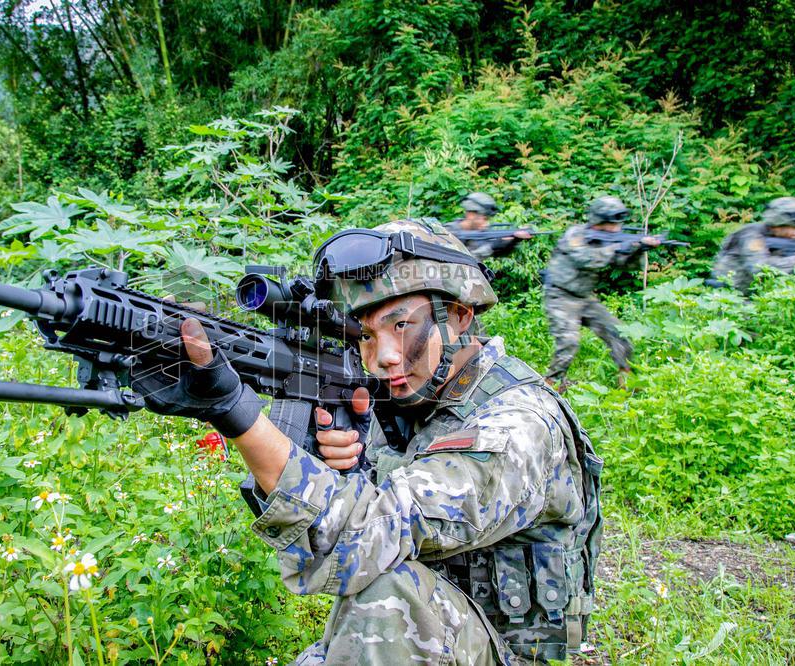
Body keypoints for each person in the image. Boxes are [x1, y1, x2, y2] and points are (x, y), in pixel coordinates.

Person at [137, 219, 603, 664]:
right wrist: (344, 467)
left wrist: (234, 412)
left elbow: (367, 536)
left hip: (506, 651)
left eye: (402, 326)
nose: (383, 357)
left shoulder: (517, 425)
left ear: (459, 316)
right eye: (365, 335)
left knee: (386, 592)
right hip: (433, 631)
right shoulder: (409, 401)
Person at [543, 196, 661, 392]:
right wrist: (619, 247)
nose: (616, 228)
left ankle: (627, 383)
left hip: (584, 297)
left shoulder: (609, 240)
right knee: (569, 343)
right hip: (560, 295)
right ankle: (549, 387)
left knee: (619, 333)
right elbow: (586, 259)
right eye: (611, 223)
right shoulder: (576, 234)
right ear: (599, 220)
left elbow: (625, 265)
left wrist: (638, 249)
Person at [711, 196, 795, 294]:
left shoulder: (785, 239)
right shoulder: (751, 234)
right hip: (729, 295)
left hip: (760, 295)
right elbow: (758, 268)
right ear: (779, 223)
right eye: (794, 227)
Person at [445, 192, 532, 260]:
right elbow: (458, 261)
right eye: (484, 218)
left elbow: (500, 252)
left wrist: (514, 240)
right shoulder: (447, 232)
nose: (487, 224)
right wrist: (490, 247)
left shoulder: (478, 236)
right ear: (471, 215)